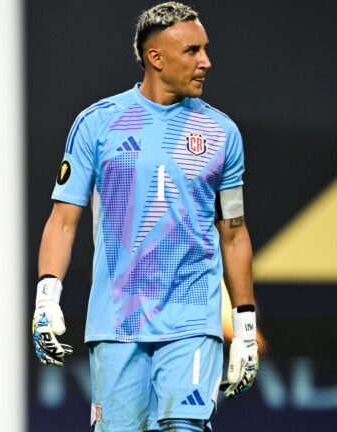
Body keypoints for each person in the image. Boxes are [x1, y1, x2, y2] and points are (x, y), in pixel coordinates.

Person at [31, 2, 259, 431]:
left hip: (192, 319)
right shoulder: (97, 124)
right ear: (156, 58)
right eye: (192, 51)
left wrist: (245, 325)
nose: (206, 61)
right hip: (118, 320)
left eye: (205, 49)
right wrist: (46, 299)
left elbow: (233, 232)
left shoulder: (222, 133)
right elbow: (62, 221)